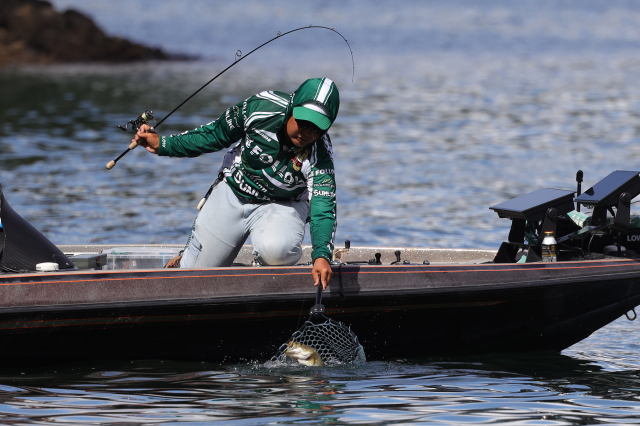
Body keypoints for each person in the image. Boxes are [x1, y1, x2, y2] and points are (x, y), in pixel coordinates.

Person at [133, 77, 340, 289]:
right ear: (292, 107)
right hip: (235, 191)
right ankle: (186, 259)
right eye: (304, 122)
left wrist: (321, 255)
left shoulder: (320, 153)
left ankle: (262, 280)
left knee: (277, 250)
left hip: (284, 205)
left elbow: (323, 208)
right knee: (190, 280)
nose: (307, 133)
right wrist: (164, 144)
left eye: (317, 128)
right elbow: (215, 134)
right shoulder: (260, 108)